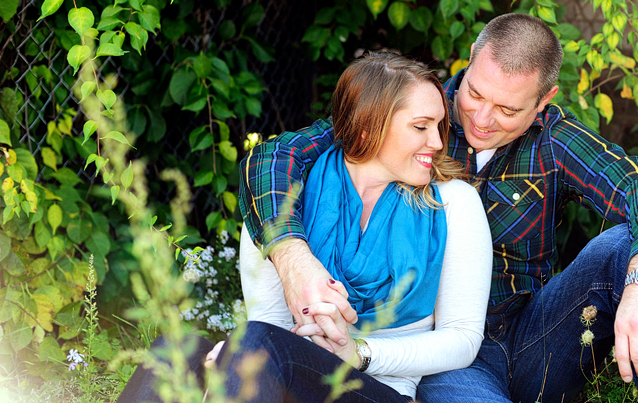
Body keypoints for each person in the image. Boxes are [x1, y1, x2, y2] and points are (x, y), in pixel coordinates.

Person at [240, 14, 638, 403]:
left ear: (543, 102)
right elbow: (275, 159)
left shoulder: (554, 140)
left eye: (507, 110)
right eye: (475, 94)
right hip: (449, 354)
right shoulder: (417, 116)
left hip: (533, 333)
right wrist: (291, 256)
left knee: (630, 251)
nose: (481, 119)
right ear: (471, 59)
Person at [119, 52, 492, 402]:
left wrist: (358, 353)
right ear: (367, 130)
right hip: (292, 374)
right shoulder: (281, 198)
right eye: (421, 126)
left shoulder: (453, 202)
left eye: (439, 125)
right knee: (174, 351)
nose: (439, 141)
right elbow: (269, 324)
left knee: (255, 344)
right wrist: (237, 357)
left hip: (378, 388)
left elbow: (461, 338)